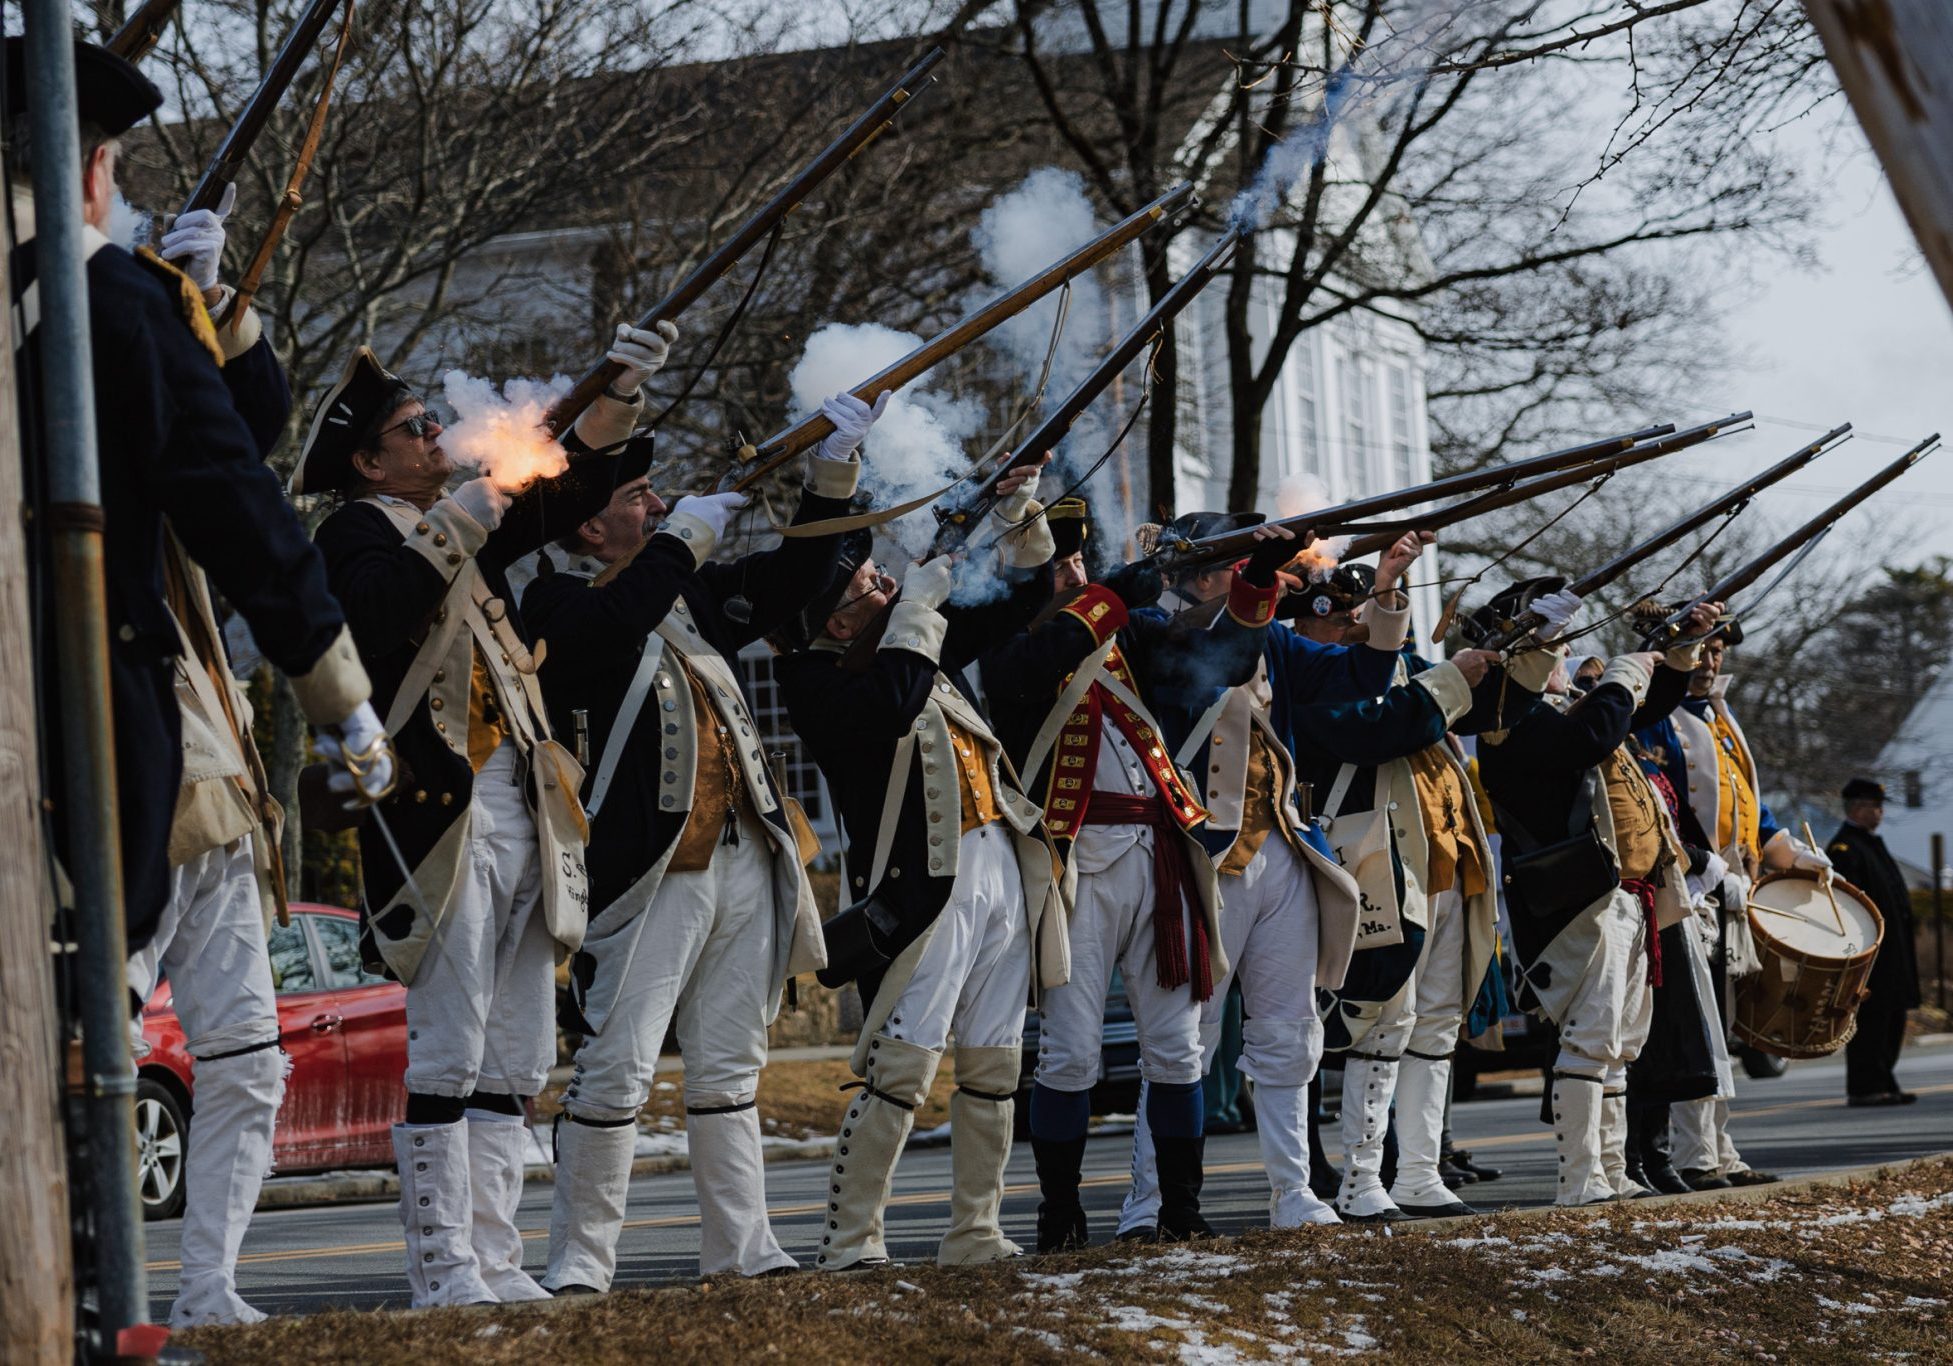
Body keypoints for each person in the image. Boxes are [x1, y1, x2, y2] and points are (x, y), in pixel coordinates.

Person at [7, 38, 382, 1326]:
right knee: (86, 1027)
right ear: (93, 167)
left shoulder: (126, 299)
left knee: (236, 1053)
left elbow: (240, 431)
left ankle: (202, 1287)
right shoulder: (108, 299)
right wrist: (339, 689)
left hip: (180, 746)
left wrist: (213, 304)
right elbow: (229, 481)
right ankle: (96, 1300)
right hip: (113, 732)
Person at [303, 330, 656, 1305]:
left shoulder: (468, 513)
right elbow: (379, 612)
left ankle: (497, 1263)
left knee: (515, 1058)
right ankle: (442, 1269)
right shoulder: (356, 534)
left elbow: (572, 493)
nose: (434, 434)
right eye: (416, 428)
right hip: (440, 816)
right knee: (450, 1050)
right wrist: (472, 503)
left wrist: (615, 396)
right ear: (370, 461)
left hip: (524, 802)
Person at [519, 392, 879, 1289]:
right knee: (618, 1070)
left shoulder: (690, 590)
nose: (656, 505)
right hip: (648, 871)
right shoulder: (556, 598)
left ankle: (743, 1248)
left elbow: (797, 584)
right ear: (589, 527)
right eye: (636, 495)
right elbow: (605, 639)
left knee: (730, 1067)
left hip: (744, 855)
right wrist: (684, 544)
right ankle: (581, 1260)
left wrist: (831, 471)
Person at [775, 464, 1066, 1272]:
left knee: (995, 1065)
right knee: (901, 1068)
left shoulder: (914, 642)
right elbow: (890, 704)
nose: (885, 579)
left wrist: (1018, 508)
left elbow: (1020, 593)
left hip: (1001, 863)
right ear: (835, 624)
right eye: (867, 582)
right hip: (923, 887)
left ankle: (974, 1230)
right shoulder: (818, 681)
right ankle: (849, 1238)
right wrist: (913, 613)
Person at [982, 517, 1291, 1249]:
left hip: (1159, 854)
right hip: (1076, 864)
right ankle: (1060, 1215)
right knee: (1069, 1053)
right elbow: (1043, 662)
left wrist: (1255, 580)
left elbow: (1224, 657)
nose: (1072, 573)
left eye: (1079, 561)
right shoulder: (1012, 650)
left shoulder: (1129, 641)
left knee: (1177, 1048)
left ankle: (1178, 1210)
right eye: (1057, 564)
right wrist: (1109, 593)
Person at [1113, 525, 1423, 1236]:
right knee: (1177, 1041)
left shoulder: (1272, 640)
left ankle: (1294, 1194)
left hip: (1282, 847)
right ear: (1197, 576)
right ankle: (1148, 1201)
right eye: (1241, 568)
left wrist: (1385, 589)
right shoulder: (1151, 631)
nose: (1267, 580)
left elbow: (1362, 678)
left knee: (1288, 1035)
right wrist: (1261, 575)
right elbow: (1210, 660)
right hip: (1197, 856)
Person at [1297, 570, 1551, 1221]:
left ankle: (1417, 1172)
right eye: (1346, 615)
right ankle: (1359, 1179)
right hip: (1382, 872)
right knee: (1380, 1027)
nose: (1359, 624)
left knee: (1435, 1026)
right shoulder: (1319, 685)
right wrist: (1451, 677)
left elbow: (1497, 707)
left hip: (1446, 871)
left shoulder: (1403, 668)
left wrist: (1531, 643)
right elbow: (1377, 730)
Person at [1471, 582, 1721, 1205]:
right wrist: (1619, 677)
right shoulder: (1506, 719)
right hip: (1575, 899)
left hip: (1624, 894)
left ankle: (1609, 1173)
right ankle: (1580, 1180)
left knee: (1617, 1045)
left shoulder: (1553, 710)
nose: (1559, 655)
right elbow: (1594, 734)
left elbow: (1639, 710)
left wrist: (1678, 648)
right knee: (1591, 1039)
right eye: (1547, 643)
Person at [1634, 621, 1827, 1187]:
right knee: (1700, 1026)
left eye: (1715, 651)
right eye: (1699, 649)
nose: (1709, 661)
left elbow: (1753, 814)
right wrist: (1708, 869)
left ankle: (1718, 1148)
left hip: (1732, 892)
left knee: (1724, 1023)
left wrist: (1794, 856)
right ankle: (1696, 1154)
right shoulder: (1657, 718)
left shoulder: (1720, 718)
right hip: (1690, 889)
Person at [1829, 778, 1920, 1106]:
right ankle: (1865, 1085)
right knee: (1872, 1019)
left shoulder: (1871, 844)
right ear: (1857, 807)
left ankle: (1884, 1079)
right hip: (1870, 954)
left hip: (1893, 952)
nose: (1880, 813)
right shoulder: (1845, 849)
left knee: (1892, 1018)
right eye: (1874, 806)